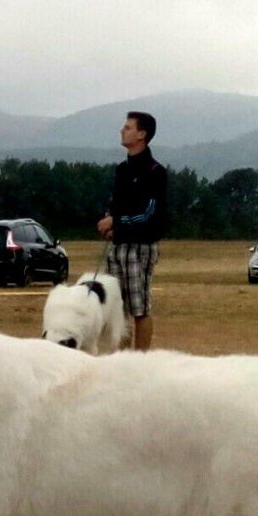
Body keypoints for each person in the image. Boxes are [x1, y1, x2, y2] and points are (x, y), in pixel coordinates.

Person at [97, 111, 168, 350]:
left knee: (140, 308)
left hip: (140, 246)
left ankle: (141, 361)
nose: (122, 130)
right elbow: (116, 203)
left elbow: (149, 214)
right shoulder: (121, 170)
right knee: (117, 310)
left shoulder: (155, 172)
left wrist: (117, 221)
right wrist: (109, 218)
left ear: (142, 134)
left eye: (127, 127)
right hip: (117, 246)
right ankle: (122, 359)